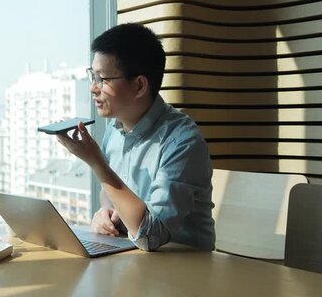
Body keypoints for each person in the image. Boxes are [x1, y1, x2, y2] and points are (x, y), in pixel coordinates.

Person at [56, 23, 215, 251]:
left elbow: (151, 235)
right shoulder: (115, 128)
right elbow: (110, 192)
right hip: (134, 261)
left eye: (103, 78)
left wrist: (96, 162)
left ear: (139, 86)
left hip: (186, 269)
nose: (93, 88)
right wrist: (105, 214)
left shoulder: (182, 141)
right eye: (93, 75)